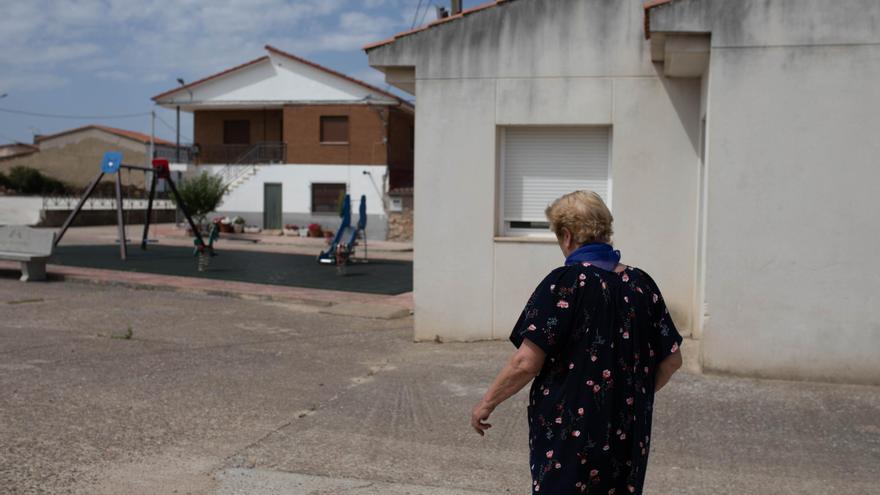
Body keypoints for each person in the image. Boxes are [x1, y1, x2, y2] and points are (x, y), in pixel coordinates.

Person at [470, 190, 683, 494]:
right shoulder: (641, 284)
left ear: (567, 236)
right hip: (627, 437)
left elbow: (526, 361)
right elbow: (672, 360)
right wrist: (628, 395)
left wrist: (485, 403)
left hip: (570, 436)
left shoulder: (565, 283)